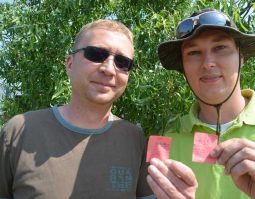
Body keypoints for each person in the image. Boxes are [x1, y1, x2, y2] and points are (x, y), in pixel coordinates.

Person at [147, 8, 255, 199]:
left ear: (241, 57)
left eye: (220, 48)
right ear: (183, 67)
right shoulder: (165, 137)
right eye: (194, 52)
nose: (208, 63)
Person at [0, 19, 156, 199]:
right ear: (69, 64)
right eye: (96, 54)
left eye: (122, 62)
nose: (109, 69)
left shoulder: (135, 139)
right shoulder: (19, 131)